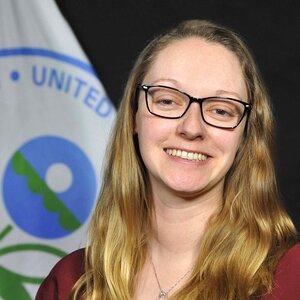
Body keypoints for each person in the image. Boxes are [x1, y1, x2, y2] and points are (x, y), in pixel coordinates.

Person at [36, 19, 300, 300]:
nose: (191, 128)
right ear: (133, 117)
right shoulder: (70, 283)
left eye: (221, 110)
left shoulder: (291, 276)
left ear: (246, 135)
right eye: (167, 101)